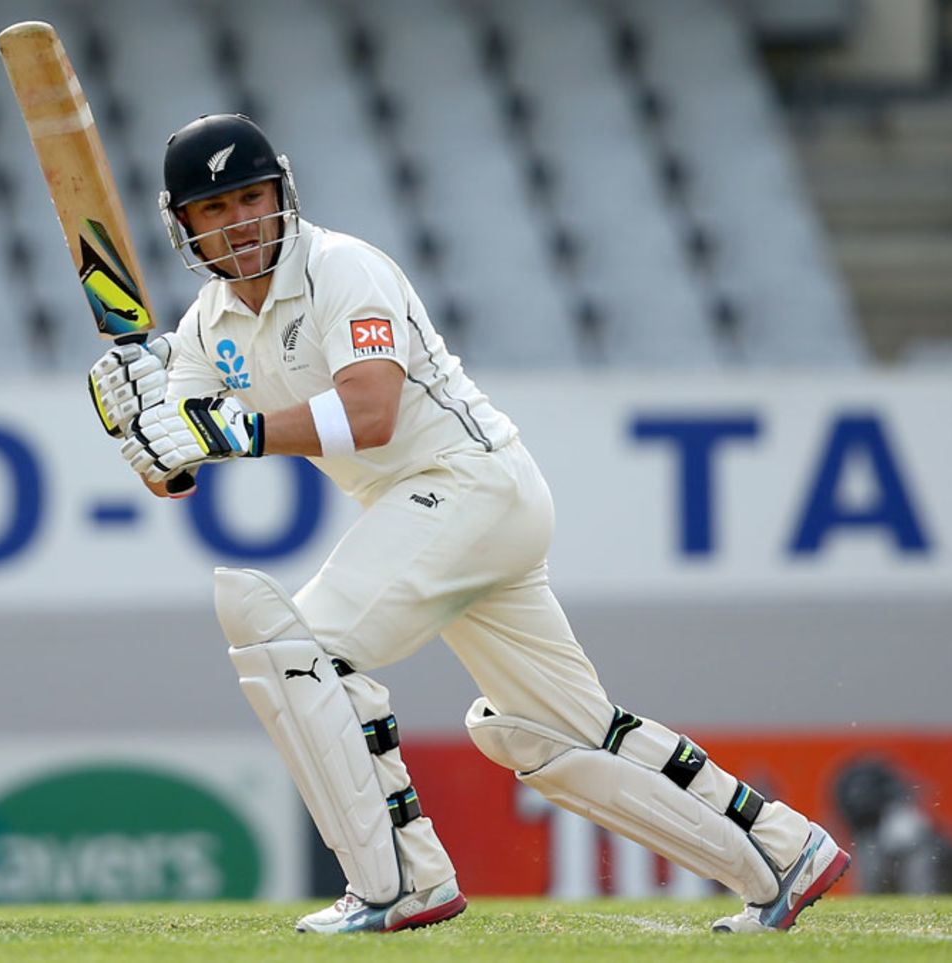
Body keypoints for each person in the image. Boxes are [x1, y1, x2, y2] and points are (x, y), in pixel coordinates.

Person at [87, 113, 850, 934]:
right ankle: (782, 849)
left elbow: (370, 412)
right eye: (215, 208)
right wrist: (144, 421)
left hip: (469, 484)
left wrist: (225, 431)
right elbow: (182, 468)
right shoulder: (208, 324)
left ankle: (405, 880)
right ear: (185, 226)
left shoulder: (344, 268)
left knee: (304, 654)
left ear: (282, 194)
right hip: (442, 511)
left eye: (251, 196)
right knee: (553, 734)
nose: (239, 220)